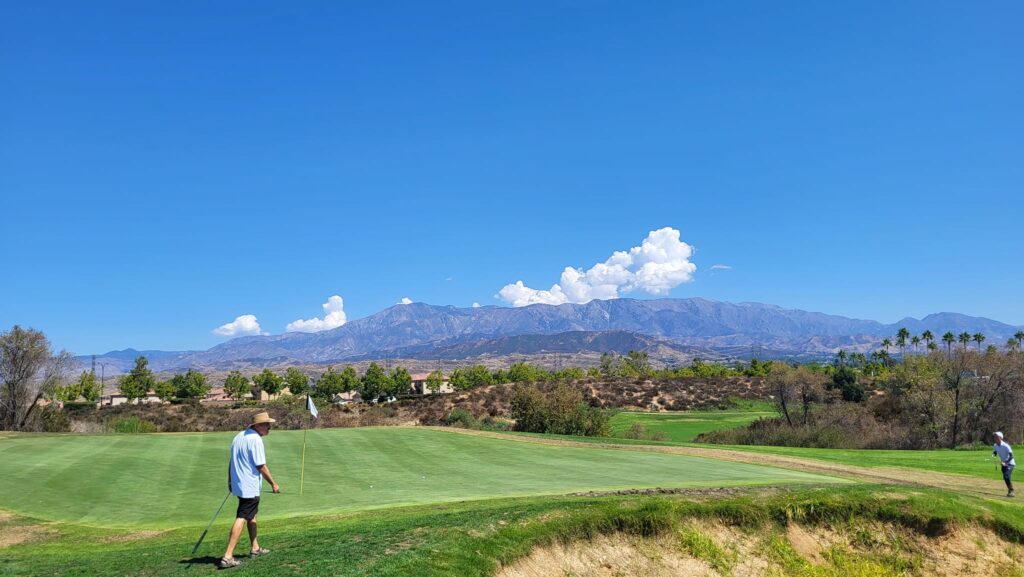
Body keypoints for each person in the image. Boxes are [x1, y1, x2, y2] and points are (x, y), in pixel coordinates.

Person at [220, 412, 281, 569]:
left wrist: (230, 480)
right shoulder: (255, 439)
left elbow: (231, 461)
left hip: (240, 484)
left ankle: (255, 548)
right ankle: (227, 556)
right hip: (249, 486)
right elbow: (261, 466)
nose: (269, 427)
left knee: (251, 515)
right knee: (242, 516)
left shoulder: (239, 436)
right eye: (267, 424)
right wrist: (273, 483)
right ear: (257, 425)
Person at [993, 431, 1015, 498]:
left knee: (1006, 476)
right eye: (994, 437)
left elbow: (1011, 456)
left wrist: (1006, 462)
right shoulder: (995, 445)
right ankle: (1010, 490)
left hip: (1010, 463)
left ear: (1000, 438)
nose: (995, 438)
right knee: (1006, 477)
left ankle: (1011, 491)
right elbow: (995, 451)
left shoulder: (1006, 446)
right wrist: (993, 455)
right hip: (1003, 464)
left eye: (996, 437)